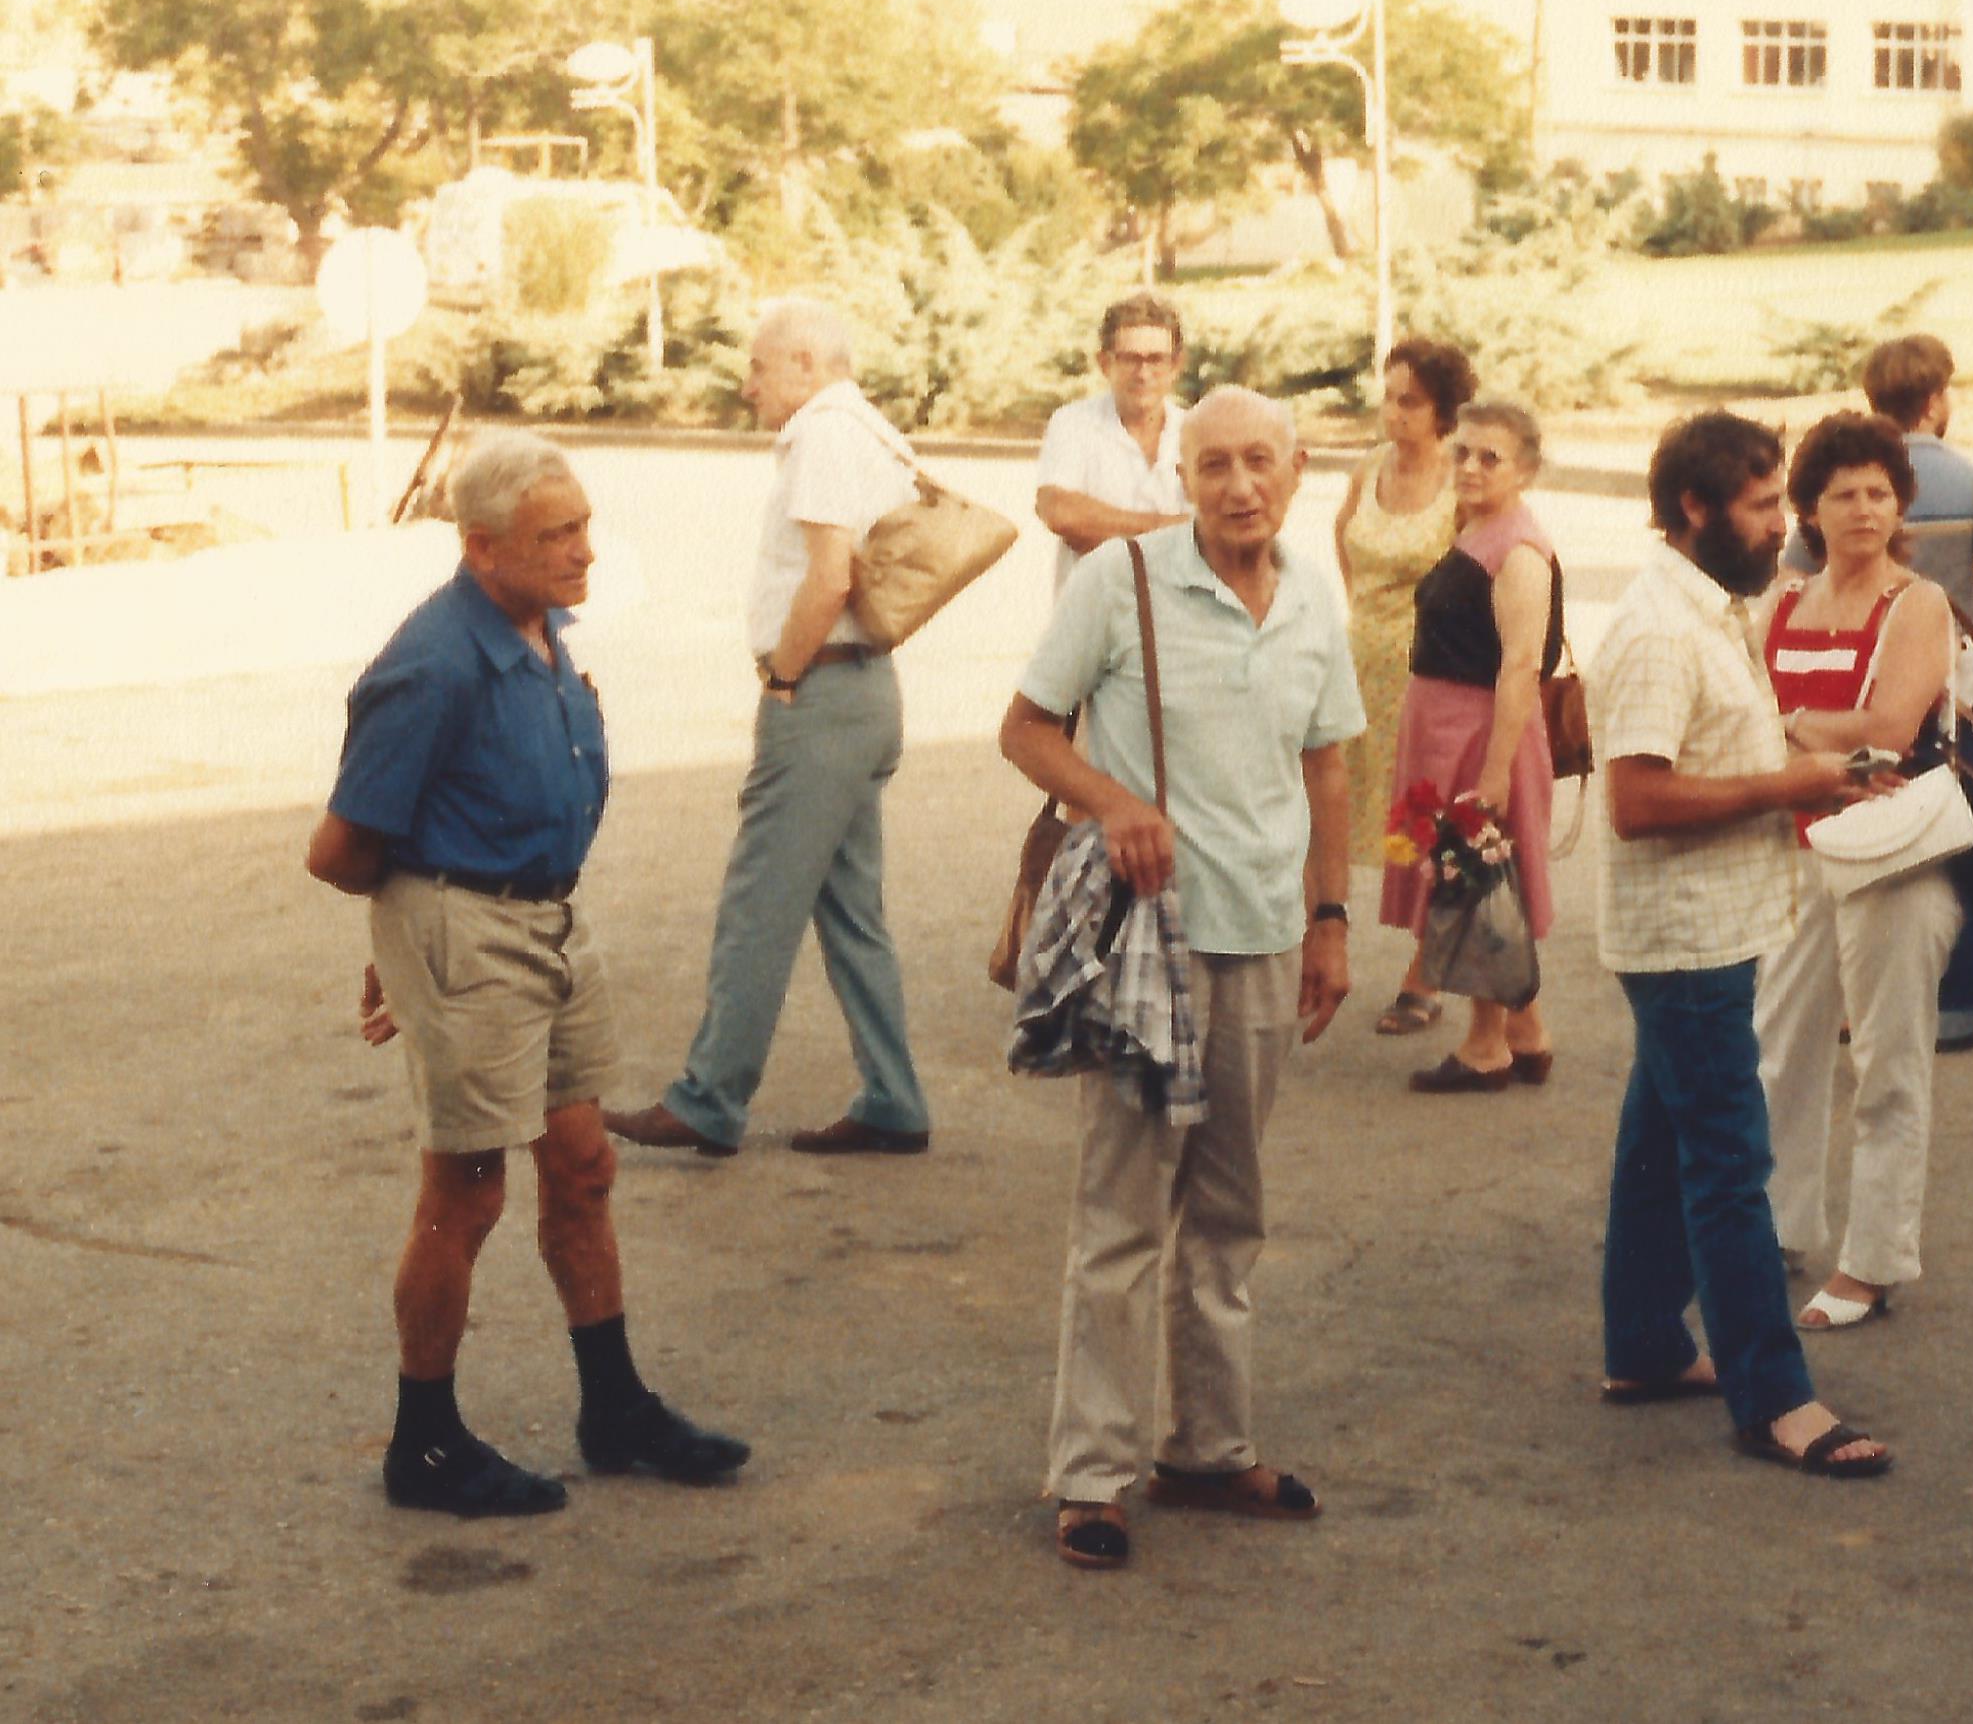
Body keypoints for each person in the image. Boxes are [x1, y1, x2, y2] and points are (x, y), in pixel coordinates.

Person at [305, 429, 748, 1518]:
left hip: (548, 919)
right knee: (465, 1190)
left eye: (585, 524)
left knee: (585, 1162)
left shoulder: (542, 627)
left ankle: (615, 1409)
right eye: (556, 535)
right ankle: (424, 1445)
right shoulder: (433, 664)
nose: (583, 551)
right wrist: (414, 945)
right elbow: (342, 850)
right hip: (474, 928)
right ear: (482, 545)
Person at [998, 385, 1364, 1571]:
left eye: (1261, 461)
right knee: (1121, 1215)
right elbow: (1026, 729)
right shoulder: (1127, 581)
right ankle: (1091, 1475)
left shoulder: (1313, 593)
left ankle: (1208, 1448)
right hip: (1147, 941)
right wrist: (1115, 803)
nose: (1239, 485)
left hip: (1262, 937)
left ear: (1298, 470)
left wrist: (1329, 919)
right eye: (1214, 466)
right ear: (1185, 481)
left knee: (1230, 1212)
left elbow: (1328, 767)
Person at [1588, 408, 1897, 1481]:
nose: (1786, 527)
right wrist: (1788, 785)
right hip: (1685, 937)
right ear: (1695, 508)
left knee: (1660, 1143)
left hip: (1710, 925)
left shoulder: (1713, 606)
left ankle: (1642, 1347)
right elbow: (1634, 798)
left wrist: (1821, 762)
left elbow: (1712, 746)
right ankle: (1775, 1399)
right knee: (1729, 1160)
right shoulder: (1663, 629)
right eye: (1764, 506)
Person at [606, 299, 929, 1159]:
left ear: (808, 364)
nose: (747, 387)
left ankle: (710, 1098)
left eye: (759, 368)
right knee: (850, 908)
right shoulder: (872, 432)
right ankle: (893, 1098)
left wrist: (782, 675)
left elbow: (829, 576)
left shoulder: (823, 434)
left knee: (758, 903)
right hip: (867, 693)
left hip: (820, 695)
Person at [1753, 411, 1962, 1329]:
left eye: (1880, 491)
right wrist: (1807, 722)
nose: (1866, 509)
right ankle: (1773, 1221)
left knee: (1886, 1060)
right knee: (1779, 1045)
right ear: (1811, 508)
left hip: (1891, 856)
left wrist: (1791, 720)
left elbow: (1892, 728)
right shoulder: (1782, 602)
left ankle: (1873, 1261)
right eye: (1844, 493)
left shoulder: (1916, 604)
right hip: (1792, 850)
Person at [1807, 333, 1973, 1054]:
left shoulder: (1843, 482)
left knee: (1849, 831)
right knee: (1944, 836)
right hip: (1941, 688)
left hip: (1850, 676)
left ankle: (1850, 1005)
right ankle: (1959, 1009)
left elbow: (1794, 574)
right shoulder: (1971, 481)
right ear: (1937, 399)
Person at [1379, 398, 1564, 1093]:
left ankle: (1487, 1045)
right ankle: (1526, 1030)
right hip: (1448, 728)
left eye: (1491, 457)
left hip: (1485, 734)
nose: (1471, 466)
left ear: (1526, 470)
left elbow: (1520, 666)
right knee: (1485, 883)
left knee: (1476, 879)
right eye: (1463, 452)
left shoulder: (1517, 549)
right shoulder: (1481, 529)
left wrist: (1491, 776)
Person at [1333, 334, 1474, 1035]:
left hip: (1432, 678)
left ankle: (1427, 970)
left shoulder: (1461, 480)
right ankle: (1317, 949)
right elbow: (1343, 540)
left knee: (1428, 821)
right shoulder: (1368, 467)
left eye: (1410, 403)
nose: (1393, 414)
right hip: (1358, 667)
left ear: (1444, 411)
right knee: (1331, 811)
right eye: (1387, 398)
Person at [1035, 292, 1192, 590]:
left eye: (1156, 359)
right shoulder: (1074, 424)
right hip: (1092, 623)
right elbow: (1060, 512)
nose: (1143, 373)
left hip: (1177, 622)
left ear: (1176, 365)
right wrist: (1175, 533)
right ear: (1104, 363)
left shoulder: (1197, 432)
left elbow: (1221, 535)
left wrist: (1104, 526)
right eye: (1130, 359)